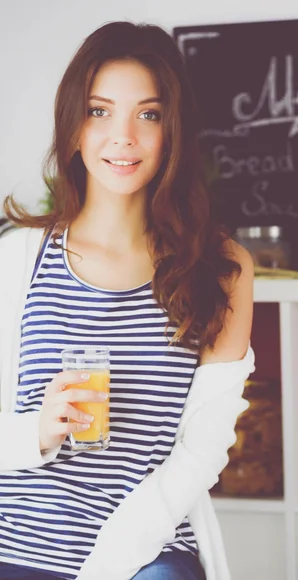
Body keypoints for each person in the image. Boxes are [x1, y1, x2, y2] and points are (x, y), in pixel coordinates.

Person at [0, 20, 255, 580]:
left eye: (148, 113)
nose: (124, 136)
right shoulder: (19, 258)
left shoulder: (221, 269)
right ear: (72, 127)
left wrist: (109, 564)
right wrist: (36, 432)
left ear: (173, 131)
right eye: (99, 111)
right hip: (16, 544)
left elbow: (203, 450)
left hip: (145, 550)